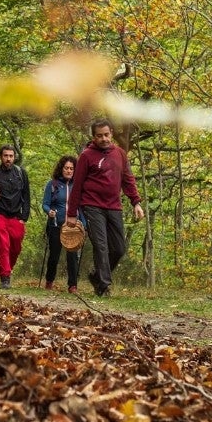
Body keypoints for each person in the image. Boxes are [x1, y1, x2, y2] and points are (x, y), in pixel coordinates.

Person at [66, 119, 144, 297]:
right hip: (92, 205)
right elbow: (77, 185)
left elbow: (128, 179)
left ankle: (96, 276)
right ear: (94, 137)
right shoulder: (86, 156)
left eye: (107, 135)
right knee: (101, 245)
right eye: (99, 136)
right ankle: (104, 286)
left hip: (114, 206)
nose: (104, 139)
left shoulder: (120, 154)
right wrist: (72, 214)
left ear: (112, 134)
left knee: (118, 248)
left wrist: (136, 202)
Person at [0, 144, 31, 289]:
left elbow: (26, 195)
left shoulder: (21, 173)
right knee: (3, 244)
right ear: (0, 157)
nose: (8, 159)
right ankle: (5, 277)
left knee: (16, 247)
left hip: (16, 215)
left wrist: (24, 217)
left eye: (11, 156)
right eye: (5, 156)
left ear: (14, 157)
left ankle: (7, 268)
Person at [41, 154, 83, 293]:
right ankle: (49, 281)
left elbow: (81, 207)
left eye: (72, 168)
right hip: (55, 225)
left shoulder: (77, 186)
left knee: (72, 256)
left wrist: (83, 224)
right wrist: (49, 212)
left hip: (73, 227)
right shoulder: (52, 184)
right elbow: (45, 204)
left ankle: (72, 286)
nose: (69, 171)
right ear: (61, 169)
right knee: (54, 255)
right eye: (66, 168)